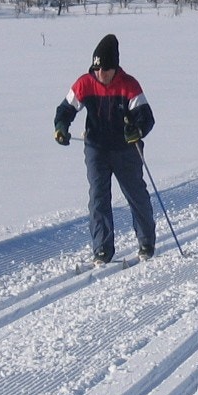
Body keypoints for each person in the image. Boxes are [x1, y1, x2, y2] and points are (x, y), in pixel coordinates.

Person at [54, 33, 156, 264]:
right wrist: (61, 126)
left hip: (125, 150)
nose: (101, 75)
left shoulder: (129, 85)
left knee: (136, 194)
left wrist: (137, 131)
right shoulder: (85, 83)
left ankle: (146, 241)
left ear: (115, 68)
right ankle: (102, 248)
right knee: (98, 197)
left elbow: (147, 118)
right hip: (96, 148)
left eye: (106, 70)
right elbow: (65, 109)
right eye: (97, 69)